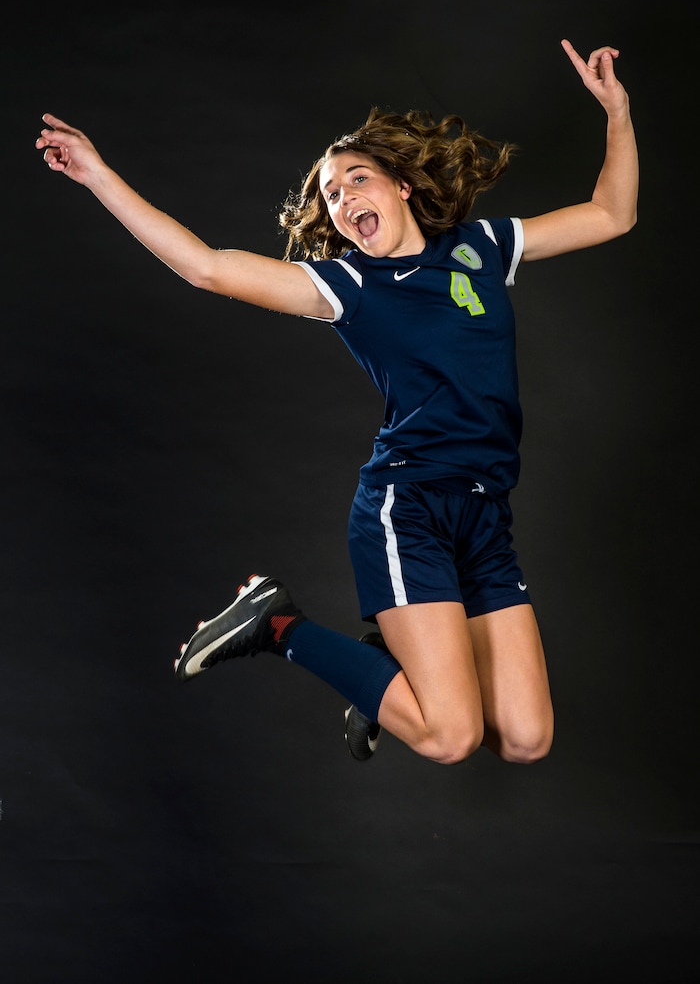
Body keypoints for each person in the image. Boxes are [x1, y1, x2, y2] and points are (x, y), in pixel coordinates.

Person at [35, 39, 638, 765]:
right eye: (331, 194)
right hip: (408, 504)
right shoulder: (348, 287)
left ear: (401, 187)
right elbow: (206, 268)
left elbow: (612, 215)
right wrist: (98, 176)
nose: (345, 198)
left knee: (526, 738)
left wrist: (618, 114)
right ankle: (278, 622)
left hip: (485, 511)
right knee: (450, 738)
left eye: (357, 179)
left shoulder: (481, 246)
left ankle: (386, 662)